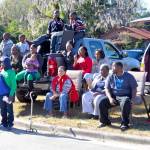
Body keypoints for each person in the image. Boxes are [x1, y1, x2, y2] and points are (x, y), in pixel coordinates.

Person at [98, 62, 137, 131]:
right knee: (102, 102)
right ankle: (105, 122)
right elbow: (106, 88)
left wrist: (133, 99)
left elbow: (134, 88)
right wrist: (110, 98)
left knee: (126, 102)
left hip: (124, 96)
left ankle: (125, 124)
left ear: (119, 68)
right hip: (114, 96)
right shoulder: (111, 76)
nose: (111, 68)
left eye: (113, 67)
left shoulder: (129, 76)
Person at [0, 57, 16, 130]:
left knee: (9, 109)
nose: (1, 63)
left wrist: (11, 95)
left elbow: (14, 85)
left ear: (6, 63)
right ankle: (4, 122)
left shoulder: (11, 72)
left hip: (7, 94)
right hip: (1, 94)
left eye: (2, 62)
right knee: (2, 109)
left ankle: (10, 123)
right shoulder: (2, 71)